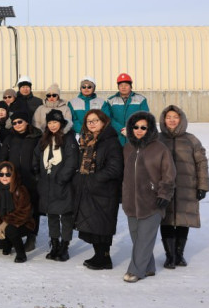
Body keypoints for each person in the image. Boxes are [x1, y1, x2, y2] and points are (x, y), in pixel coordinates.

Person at [121, 112, 175, 283]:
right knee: (137, 237)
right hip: (131, 203)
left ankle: (135, 270)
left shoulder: (160, 149)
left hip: (152, 202)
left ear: (150, 128)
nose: (139, 130)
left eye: (143, 127)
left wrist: (164, 194)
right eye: (135, 127)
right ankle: (149, 267)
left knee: (144, 238)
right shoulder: (128, 148)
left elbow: (169, 174)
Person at [158, 105, 209, 268]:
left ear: (181, 119)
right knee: (165, 220)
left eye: (175, 117)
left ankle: (179, 254)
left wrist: (202, 186)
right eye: (168, 117)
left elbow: (201, 163)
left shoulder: (191, 140)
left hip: (187, 186)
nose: (172, 120)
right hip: (164, 188)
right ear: (163, 120)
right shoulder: (157, 139)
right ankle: (169, 256)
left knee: (182, 220)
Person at [72, 109, 124, 270]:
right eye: (89, 121)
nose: (92, 124)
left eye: (95, 120)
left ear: (103, 122)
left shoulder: (110, 141)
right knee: (93, 225)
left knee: (102, 225)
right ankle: (99, 255)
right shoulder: (85, 140)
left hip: (105, 190)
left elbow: (115, 168)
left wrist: (94, 179)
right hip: (88, 188)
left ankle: (104, 257)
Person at [32, 109, 78, 261]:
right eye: (50, 122)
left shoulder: (68, 138)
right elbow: (36, 156)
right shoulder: (44, 138)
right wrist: (37, 174)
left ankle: (65, 246)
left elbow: (72, 161)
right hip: (46, 184)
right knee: (52, 215)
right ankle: (55, 244)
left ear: (61, 123)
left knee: (65, 216)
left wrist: (62, 178)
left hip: (62, 184)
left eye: (55, 122)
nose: (52, 126)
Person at [0, 111, 42, 252]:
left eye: (20, 121)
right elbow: (3, 158)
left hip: (31, 179)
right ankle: (14, 234)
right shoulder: (9, 138)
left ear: (27, 122)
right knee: (14, 207)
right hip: (14, 180)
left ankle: (31, 236)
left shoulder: (36, 137)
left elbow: (41, 157)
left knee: (32, 209)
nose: (17, 125)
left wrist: (37, 174)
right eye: (14, 122)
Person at [0, 162, 36, 263]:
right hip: (2, 224)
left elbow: (24, 211)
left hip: (23, 223)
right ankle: (8, 243)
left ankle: (21, 254)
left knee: (10, 229)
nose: (4, 177)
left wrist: (6, 223)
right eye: (1, 174)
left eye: (8, 174)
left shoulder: (20, 190)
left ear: (13, 175)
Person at [103, 73, 150, 146]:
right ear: (118, 87)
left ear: (131, 86)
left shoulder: (141, 99)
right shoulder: (111, 100)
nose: (123, 87)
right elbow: (108, 118)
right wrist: (121, 129)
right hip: (117, 138)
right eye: (121, 85)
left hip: (135, 137)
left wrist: (131, 129)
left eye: (126, 85)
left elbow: (144, 117)